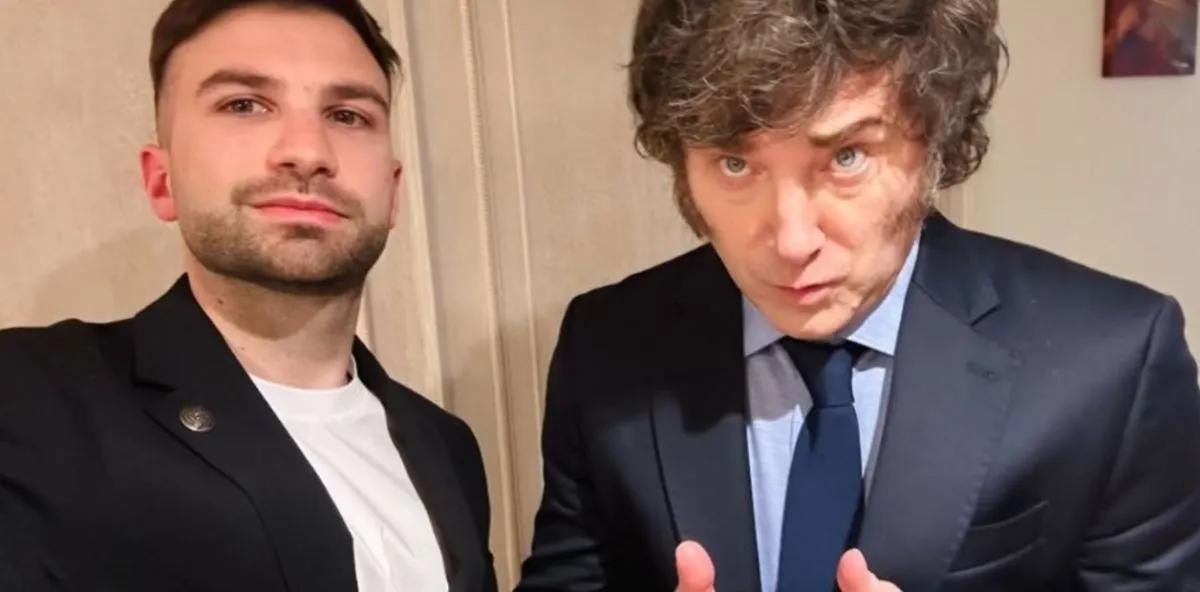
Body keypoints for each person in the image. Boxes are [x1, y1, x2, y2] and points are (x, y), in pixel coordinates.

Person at [515, 0, 1200, 591]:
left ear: (933, 139)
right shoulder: (606, 345)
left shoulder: (1114, 364)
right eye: (735, 163)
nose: (791, 241)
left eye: (846, 157)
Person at [0, 1, 496, 591]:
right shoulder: (29, 401)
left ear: (392, 193)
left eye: (347, 114)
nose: (307, 152)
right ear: (162, 180)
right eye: (244, 105)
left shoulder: (446, 445)